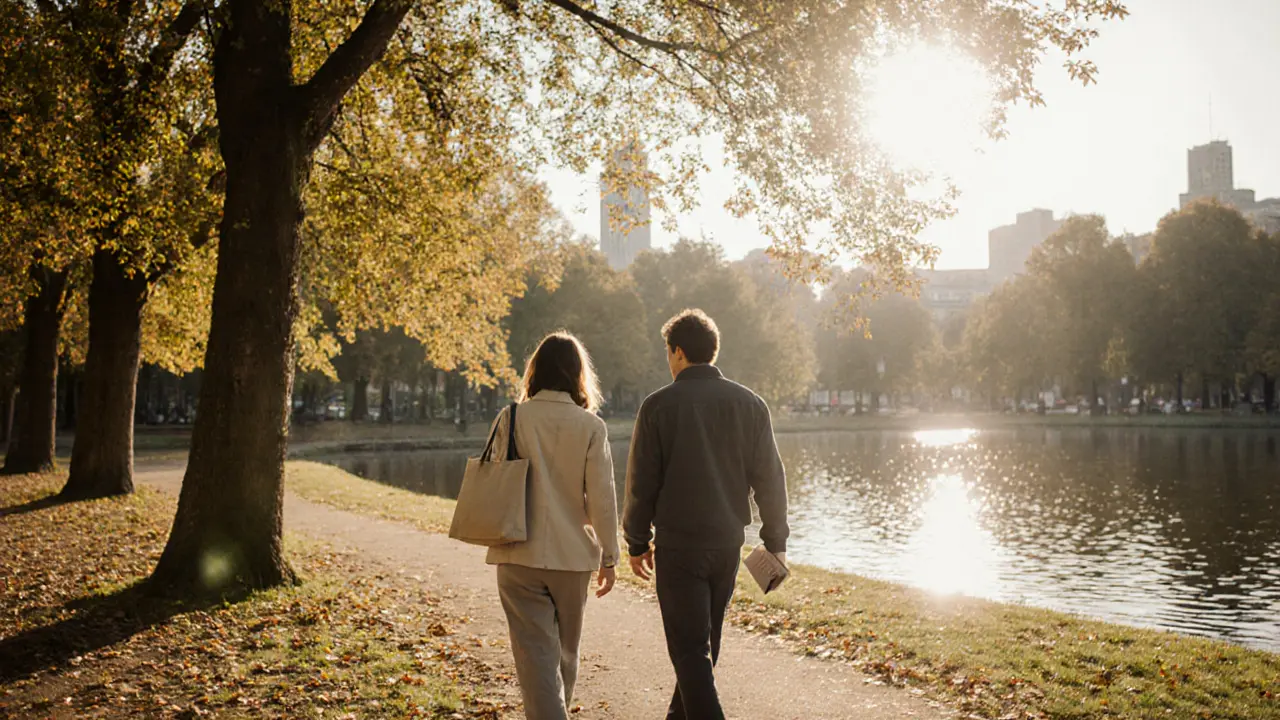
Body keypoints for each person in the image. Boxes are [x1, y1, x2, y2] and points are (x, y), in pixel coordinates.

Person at [623, 308, 790, 720]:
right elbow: (770, 477)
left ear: (678, 352)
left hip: (680, 546)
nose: (668, 358)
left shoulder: (658, 406)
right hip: (726, 545)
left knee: (690, 651)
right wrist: (776, 543)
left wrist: (637, 541)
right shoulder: (750, 404)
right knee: (702, 651)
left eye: (668, 351)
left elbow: (641, 482)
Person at [484, 332, 620, 720]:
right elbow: (602, 499)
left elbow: (495, 478)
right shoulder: (591, 427)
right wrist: (609, 557)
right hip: (572, 557)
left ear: (535, 370)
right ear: (578, 374)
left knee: (535, 659)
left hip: (517, 551)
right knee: (564, 655)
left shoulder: (510, 417)